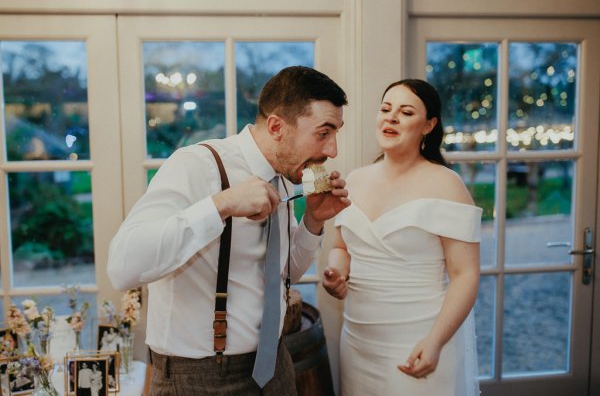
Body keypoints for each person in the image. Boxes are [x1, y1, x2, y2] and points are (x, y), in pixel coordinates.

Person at [107, 66, 350, 395]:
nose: (333, 150)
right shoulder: (196, 166)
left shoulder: (281, 175)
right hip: (201, 378)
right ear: (277, 126)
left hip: (276, 365)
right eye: (324, 132)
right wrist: (220, 205)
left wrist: (314, 222)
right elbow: (123, 267)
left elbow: (282, 272)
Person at [322, 79, 481, 395]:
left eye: (405, 112)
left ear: (429, 125)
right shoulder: (355, 178)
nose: (391, 117)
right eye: (385, 109)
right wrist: (336, 273)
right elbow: (341, 246)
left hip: (419, 340)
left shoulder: (447, 185)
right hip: (358, 343)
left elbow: (465, 276)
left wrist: (435, 341)